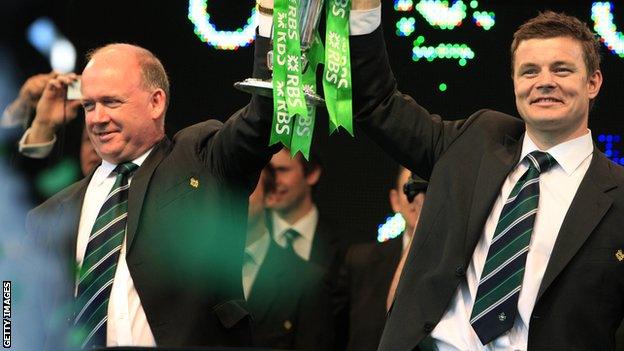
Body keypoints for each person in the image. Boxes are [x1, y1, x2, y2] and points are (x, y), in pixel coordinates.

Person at [345, 1, 624, 350]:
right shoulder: (476, 140)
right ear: (514, 83)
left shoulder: (618, 196)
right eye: (529, 71)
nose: (544, 82)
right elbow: (378, 102)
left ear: (593, 82)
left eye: (562, 70)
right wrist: (363, 10)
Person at [24, 17, 277, 350]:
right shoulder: (49, 215)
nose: (97, 119)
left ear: (156, 102)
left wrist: (272, 21)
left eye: (112, 102)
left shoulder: (201, 159)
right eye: (89, 105)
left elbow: (264, 115)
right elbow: (11, 307)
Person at [333, 166, 427, 351]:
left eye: (427, 189)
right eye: (410, 188)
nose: (417, 199)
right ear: (395, 201)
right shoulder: (362, 262)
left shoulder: (466, 263)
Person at [244, 167, 334, 350]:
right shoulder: (198, 270)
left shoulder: (307, 281)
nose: (233, 193)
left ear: (270, 196)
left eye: (247, 184)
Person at [266, 148, 342, 269]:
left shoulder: (350, 245)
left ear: (312, 174)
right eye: (268, 172)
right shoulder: (245, 237)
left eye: (282, 170)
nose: (272, 180)